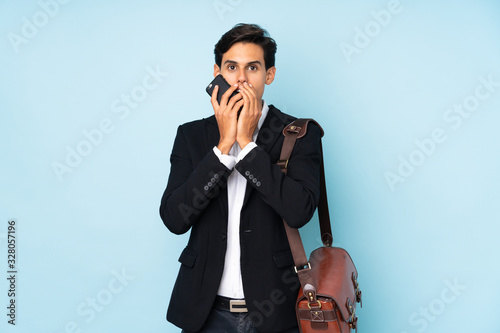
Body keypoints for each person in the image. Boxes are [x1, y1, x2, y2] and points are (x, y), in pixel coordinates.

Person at [159, 23, 322, 333]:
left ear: (269, 75)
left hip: (274, 313)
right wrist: (222, 148)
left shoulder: (300, 134)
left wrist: (247, 145)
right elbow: (174, 219)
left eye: (253, 68)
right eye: (232, 67)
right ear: (217, 71)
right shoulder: (192, 135)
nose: (241, 78)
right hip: (205, 312)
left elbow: (300, 211)